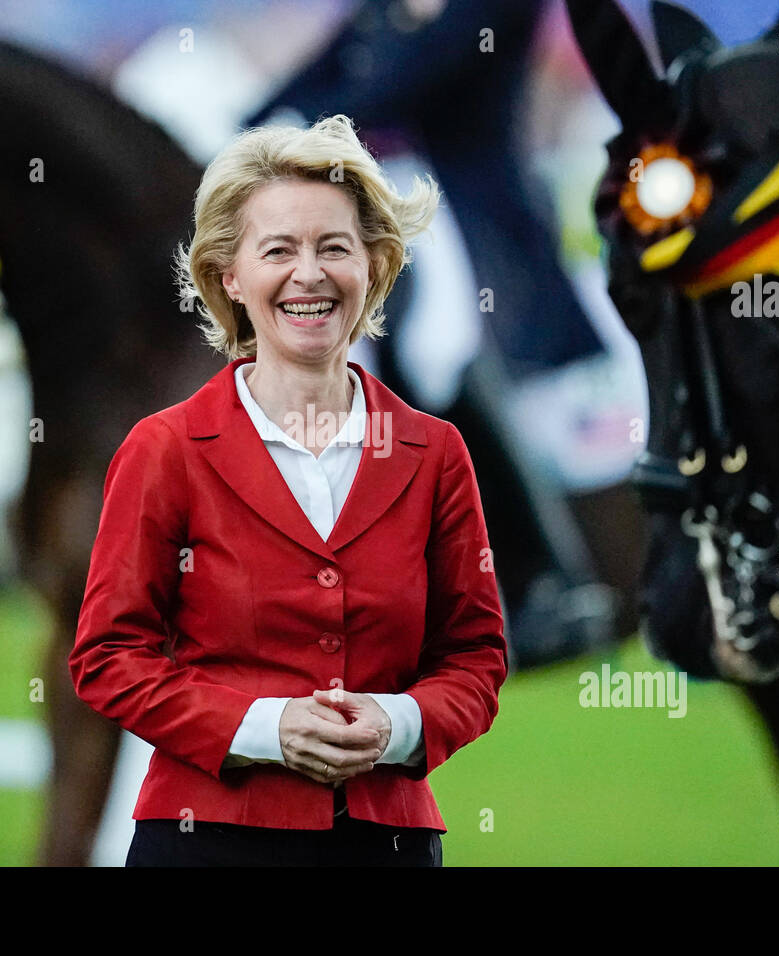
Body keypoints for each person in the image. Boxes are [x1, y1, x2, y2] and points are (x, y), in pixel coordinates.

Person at [69, 114, 508, 866]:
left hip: (388, 845)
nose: (309, 274)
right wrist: (264, 729)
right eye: (278, 250)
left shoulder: (436, 453)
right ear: (229, 276)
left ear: (374, 266)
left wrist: (394, 724)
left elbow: (475, 659)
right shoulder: (165, 449)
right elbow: (109, 655)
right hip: (203, 842)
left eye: (334, 247)